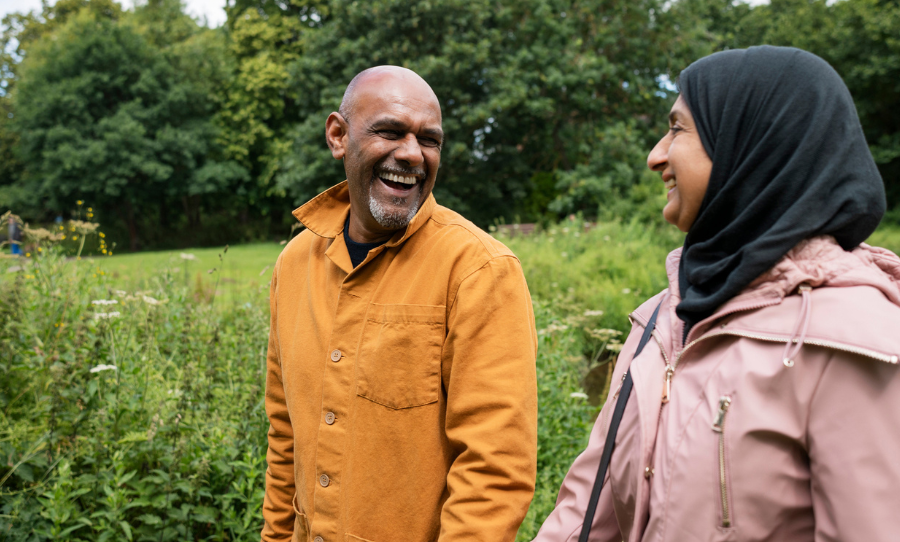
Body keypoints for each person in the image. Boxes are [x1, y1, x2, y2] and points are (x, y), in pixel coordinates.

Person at [533, 46, 900, 542]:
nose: (655, 155)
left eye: (678, 128)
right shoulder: (660, 322)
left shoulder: (853, 339)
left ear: (752, 144)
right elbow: (585, 515)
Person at [263, 66, 538, 542]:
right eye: (390, 132)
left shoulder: (478, 270)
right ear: (338, 136)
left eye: (429, 140)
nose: (411, 154)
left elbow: (494, 471)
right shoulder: (294, 266)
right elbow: (286, 435)